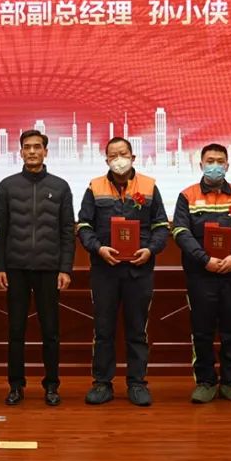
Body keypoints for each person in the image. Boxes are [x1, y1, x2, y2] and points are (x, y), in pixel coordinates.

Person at [77, 137, 169, 407]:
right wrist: (98, 249)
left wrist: (150, 250)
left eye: (123, 154)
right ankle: (102, 383)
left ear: (133, 157)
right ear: (106, 159)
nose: (119, 159)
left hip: (139, 270)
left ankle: (137, 383)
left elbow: (161, 226)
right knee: (103, 329)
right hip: (104, 270)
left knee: (137, 330)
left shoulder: (149, 186)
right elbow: (84, 226)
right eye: (113, 155)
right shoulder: (95, 187)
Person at [172, 143, 231, 404]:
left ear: (227, 165)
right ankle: (206, 382)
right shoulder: (187, 195)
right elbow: (180, 232)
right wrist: (205, 260)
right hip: (201, 275)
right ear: (201, 165)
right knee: (202, 330)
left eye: (220, 161)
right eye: (210, 161)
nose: (215, 165)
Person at [0, 129, 75, 406]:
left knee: (50, 331)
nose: (32, 151)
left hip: (49, 269)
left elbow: (67, 231)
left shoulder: (60, 186)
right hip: (15, 268)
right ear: (20, 152)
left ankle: (51, 385)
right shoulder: (7, 186)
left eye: (37, 147)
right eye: (27, 147)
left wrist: (65, 269)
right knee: (15, 331)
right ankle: (16, 386)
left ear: (45, 152)